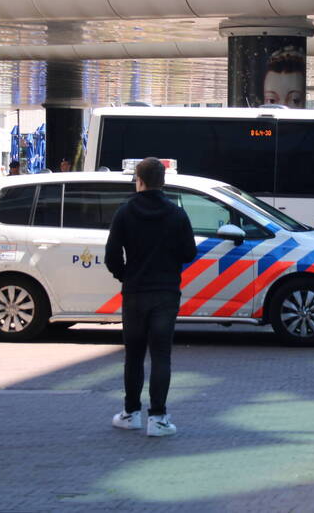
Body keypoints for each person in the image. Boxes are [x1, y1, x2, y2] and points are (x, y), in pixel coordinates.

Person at [105, 157, 197, 437]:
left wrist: (126, 275)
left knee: (133, 356)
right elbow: (189, 253)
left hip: (134, 293)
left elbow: (111, 257)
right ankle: (158, 418)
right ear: (164, 181)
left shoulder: (124, 212)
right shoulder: (176, 213)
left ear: (139, 180)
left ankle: (130, 413)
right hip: (166, 293)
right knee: (161, 356)